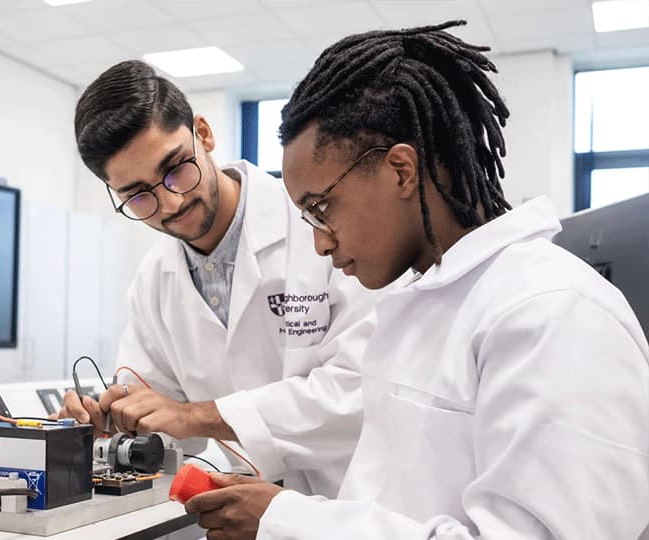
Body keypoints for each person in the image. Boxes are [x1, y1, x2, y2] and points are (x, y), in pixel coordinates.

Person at [185, 21, 649, 539]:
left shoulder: (551, 312)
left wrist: (289, 522)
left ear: (401, 170)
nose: (320, 242)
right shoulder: (423, 304)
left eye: (321, 209)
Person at [60, 60, 380, 497]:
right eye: (138, 195)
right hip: (236, 511)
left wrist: (194, 415)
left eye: (175, 168)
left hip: (351, 504)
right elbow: (165, 424)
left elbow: (361, 390)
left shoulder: (319, 228)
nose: (170, 202)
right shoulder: (154, 281)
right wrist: (115, 420)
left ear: (204, 134)